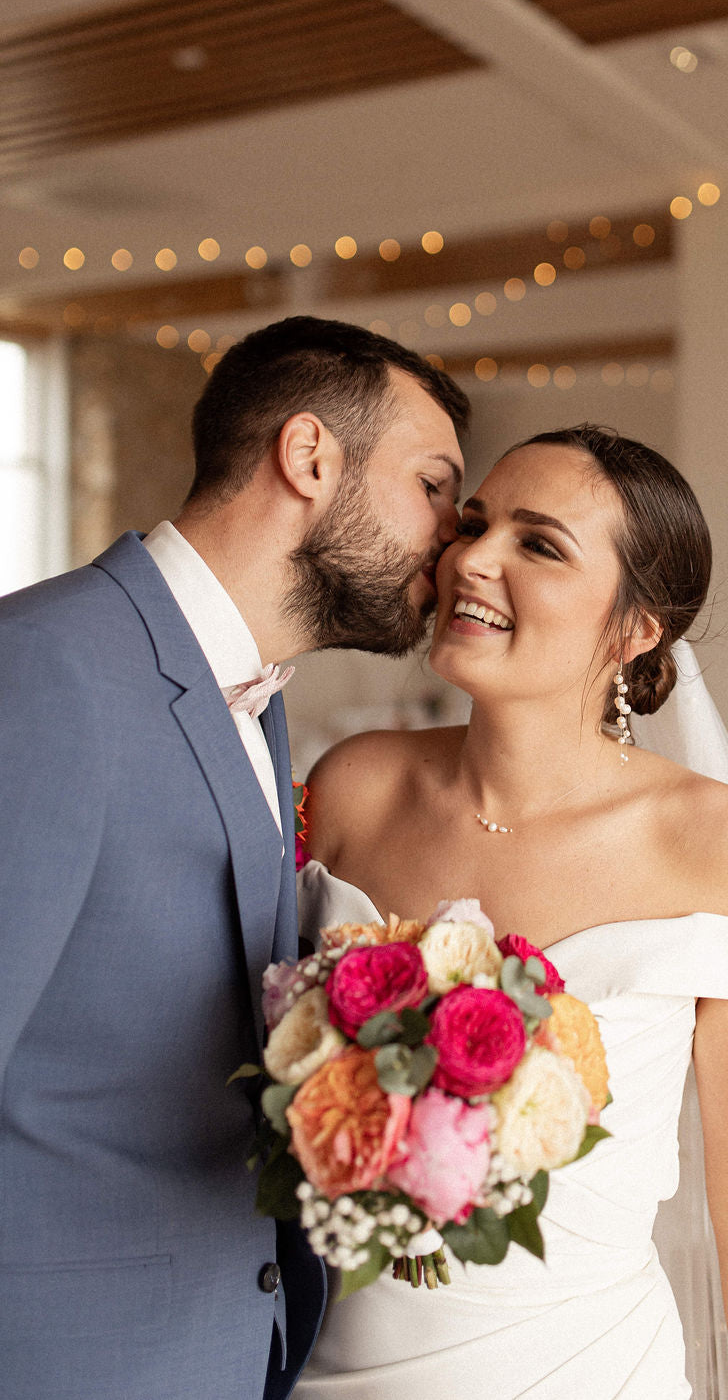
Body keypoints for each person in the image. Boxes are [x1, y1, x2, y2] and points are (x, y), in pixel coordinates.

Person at [292, 425, 728, 1399]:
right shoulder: (356, 785)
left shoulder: (719, 847)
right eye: (474, 523)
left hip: (586, 1368)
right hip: (331, 1365)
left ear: (634, 628)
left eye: (539, 543)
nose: (471, 558)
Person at [0, 315, 468, 1400]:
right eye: (433, 486)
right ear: (309, 457)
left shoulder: (256, 701)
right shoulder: (44, 670)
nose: (453, 541)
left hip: (217, 1344)